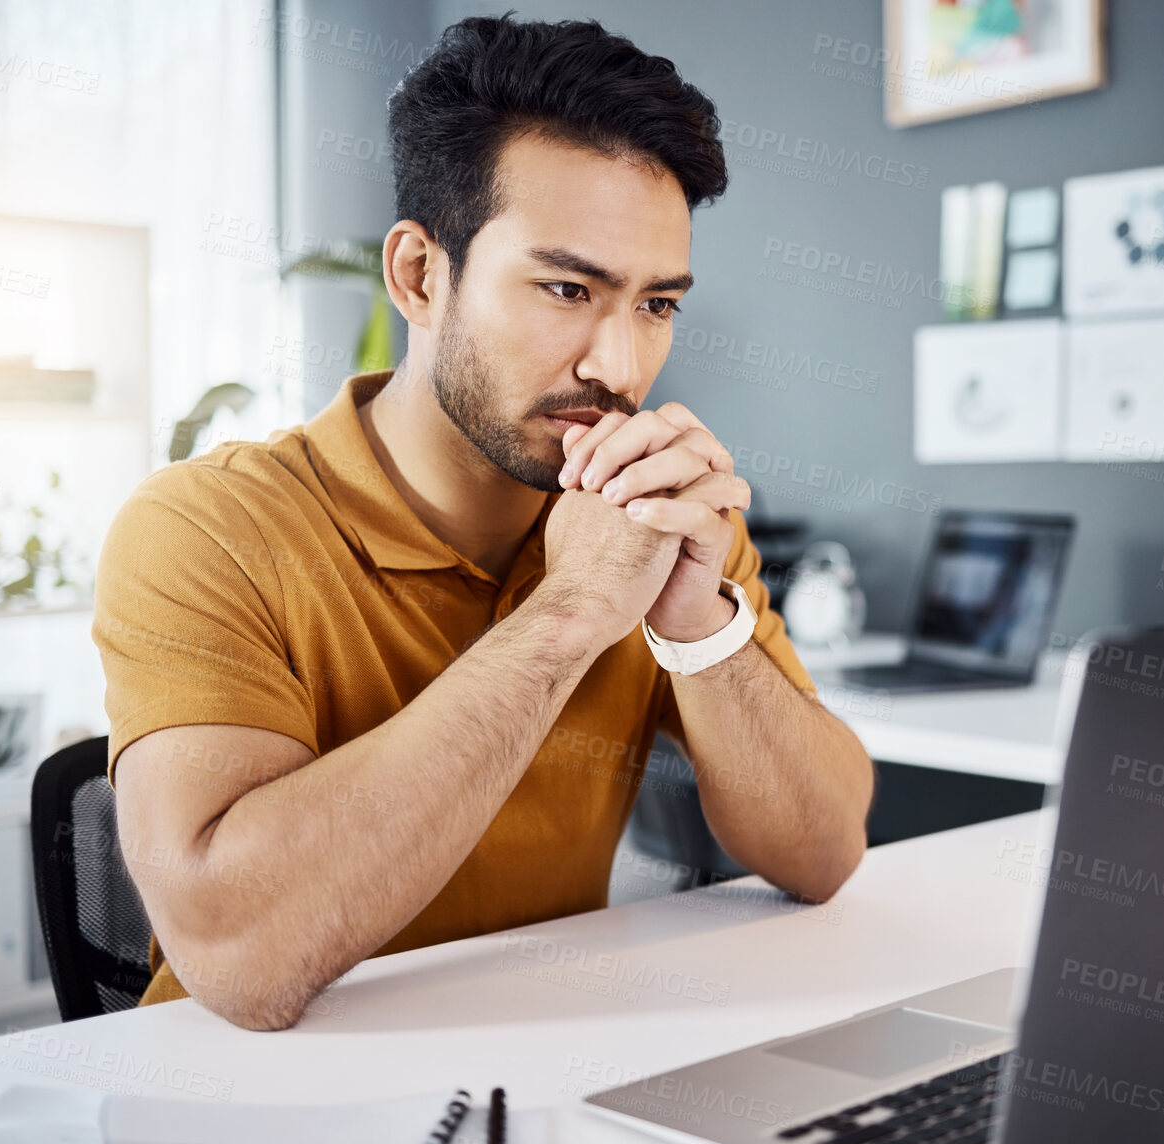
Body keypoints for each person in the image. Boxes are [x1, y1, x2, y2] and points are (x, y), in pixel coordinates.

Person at [92, 14, 873, 1031]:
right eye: (566, 288)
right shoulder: (205, 528)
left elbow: (822, 854)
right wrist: (570, 614)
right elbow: (243, 963)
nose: (620, 368)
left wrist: (697, 625)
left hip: (536, 1077)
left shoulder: (651, 512)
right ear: (419, 275)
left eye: (656, 305)